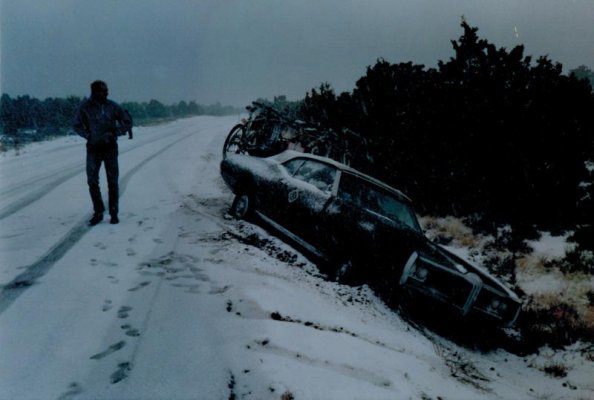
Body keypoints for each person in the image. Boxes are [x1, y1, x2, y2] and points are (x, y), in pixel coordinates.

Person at [73, 80, 132, 226]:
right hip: (93, 148)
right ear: (95, 92)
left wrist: (117, 132)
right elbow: (76, 125)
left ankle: (114, 213)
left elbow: (127, 121)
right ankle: (98, 212)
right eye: (103, 91)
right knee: (92, 181)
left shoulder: (112, 106)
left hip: (110, 147)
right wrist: (88, 135)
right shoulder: (85, 107)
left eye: (106, 91)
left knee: (112, 181)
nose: (106, 93)